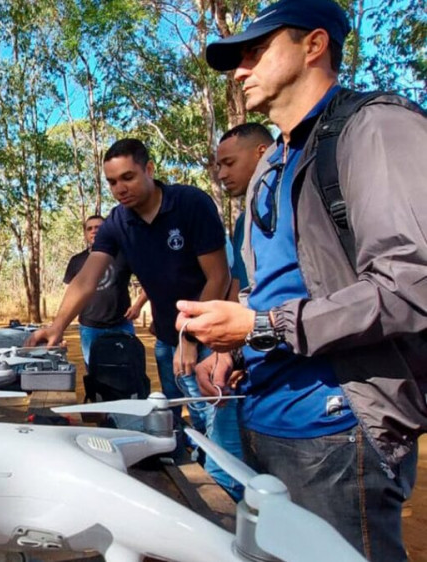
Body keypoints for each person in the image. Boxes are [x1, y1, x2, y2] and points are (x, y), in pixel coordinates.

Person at [178, 0, 427, 558]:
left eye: (255, 52)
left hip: (338, 429)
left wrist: (261, 325)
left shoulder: (377, 128)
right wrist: (234, 348)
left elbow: (412, 287)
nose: (240, 71)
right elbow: (274, 283)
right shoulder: (271, 164)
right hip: (264, 420)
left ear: (314, 45)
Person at [27, 138, 242, 499]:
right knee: (190, 424)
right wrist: (58, 324)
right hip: (167, 340)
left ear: (150, 169)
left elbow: (218, 277)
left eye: (127, 177)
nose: (119, 189)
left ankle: (227, 516)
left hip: (209, 339)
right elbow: (86, 278)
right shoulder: (117, 223)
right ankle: (202, 497)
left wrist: (190, 337)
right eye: (111, 182)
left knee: (222, 431)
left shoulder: (189, 204)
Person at [63, 214, 146, 366]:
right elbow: (70, 293)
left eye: (98, 228)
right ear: (85, 234)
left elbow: (149, 281)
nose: (94, 231)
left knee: (128, 369)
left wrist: (138, 305)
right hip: (90, 327)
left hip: (121, 324)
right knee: (95, 372)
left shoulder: (124, 255)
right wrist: (62, 325)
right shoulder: (76, 261)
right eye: (90, 228)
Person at [216, 123, 273, 301]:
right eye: (220, 166)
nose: (222, 175)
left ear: (262, 153)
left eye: (230, 163)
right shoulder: (243, 222)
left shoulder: (293, 202)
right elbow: (239, 283)